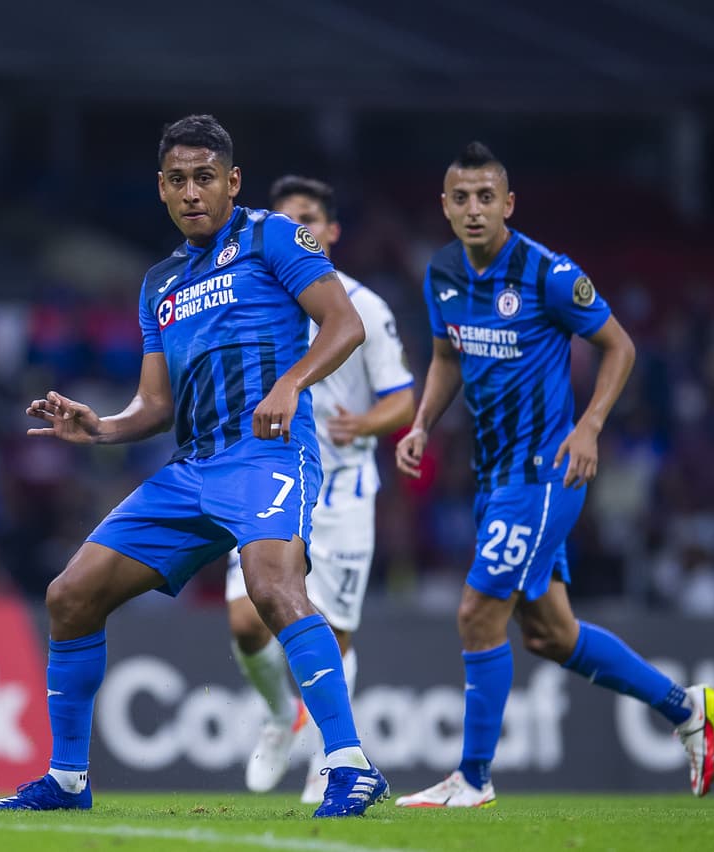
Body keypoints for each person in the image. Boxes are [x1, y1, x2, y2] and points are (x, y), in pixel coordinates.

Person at [0, 115, 388, 818]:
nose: (192, 192)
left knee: (272, 587)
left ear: (232, 181)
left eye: (205, 177)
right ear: (162, 189)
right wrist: (102, 426)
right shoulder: (160, 283)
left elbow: (344, 324)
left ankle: (350, 764)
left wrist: (290, 384)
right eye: (178, 180)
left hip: (265, 455)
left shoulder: (273, 236)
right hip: (193, 467)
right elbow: (156, 405)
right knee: (70, 595)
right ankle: (68, 780)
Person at [393, 142, 714, 807]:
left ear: (508, 204)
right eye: (462, 198)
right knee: (551, 634)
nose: (474, 208)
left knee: (477, 610)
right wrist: (423, 422)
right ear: (445, 206)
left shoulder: (547, 273)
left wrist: (591, 425)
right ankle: (687, 707)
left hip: (545, 475)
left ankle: (473, 778)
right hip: (493, 478)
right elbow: (446, 357)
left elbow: (619, 346)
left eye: (487, 197)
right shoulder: (443, 272)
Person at [224, 176, 413, 803]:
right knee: (246, 623)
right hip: (269, 480)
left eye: (307, 218)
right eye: (284, 221)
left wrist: (365, 424)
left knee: (334, 631)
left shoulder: (364, 306)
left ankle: (329, 761)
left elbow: (401, 398)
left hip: (341, 493)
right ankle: (281, 714)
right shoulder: (253, 296)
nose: (295, 230)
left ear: (331, 231)